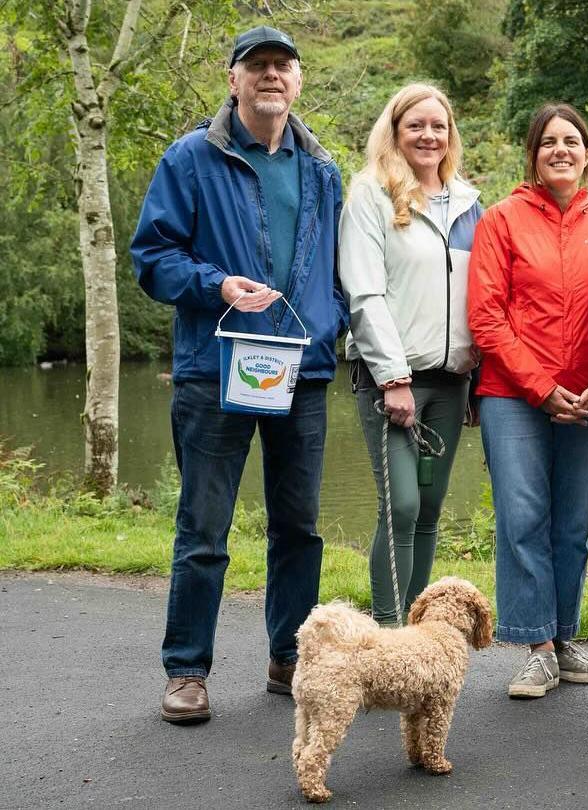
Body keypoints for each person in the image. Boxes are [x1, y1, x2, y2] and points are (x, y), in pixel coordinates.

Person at [131, 25, 345, 724]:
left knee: (299, 527)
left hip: (302, 372)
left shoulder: (323, 170)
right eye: (257, 66)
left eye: (283, 65)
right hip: (215, 369)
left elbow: (338, 268)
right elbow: (152, 257)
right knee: (204, 528)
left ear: (299, 80)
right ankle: (187, 671)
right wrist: (217, 284)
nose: (271, 76)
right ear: (234, 80)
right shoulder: (193, 158)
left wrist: (330, 319)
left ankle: (291, 657)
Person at [468, 103, 588, 699]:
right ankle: (534, 647)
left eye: (572, 141)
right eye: (549, 142)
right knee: (524, 516)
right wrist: (541, 387)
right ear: (533, 154)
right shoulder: (501, 220)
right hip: (513, 394)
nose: (561, 150)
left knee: (574, 522)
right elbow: (487, 317)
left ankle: (562, 639)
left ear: (587, 153)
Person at [339, 84, 483, 628]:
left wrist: (481, 375)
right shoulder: (371, 195)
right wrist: (392, 377)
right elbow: (364, 292)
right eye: (415, 125)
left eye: (438, 125)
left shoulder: (470, 203)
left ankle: (417, 635)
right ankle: (386, 630)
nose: (429, 135)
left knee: (427, 510)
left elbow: (482, 296)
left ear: (451, 135)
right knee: (399, 505)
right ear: (395, 131)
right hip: (390, 380)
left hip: (452, 382)